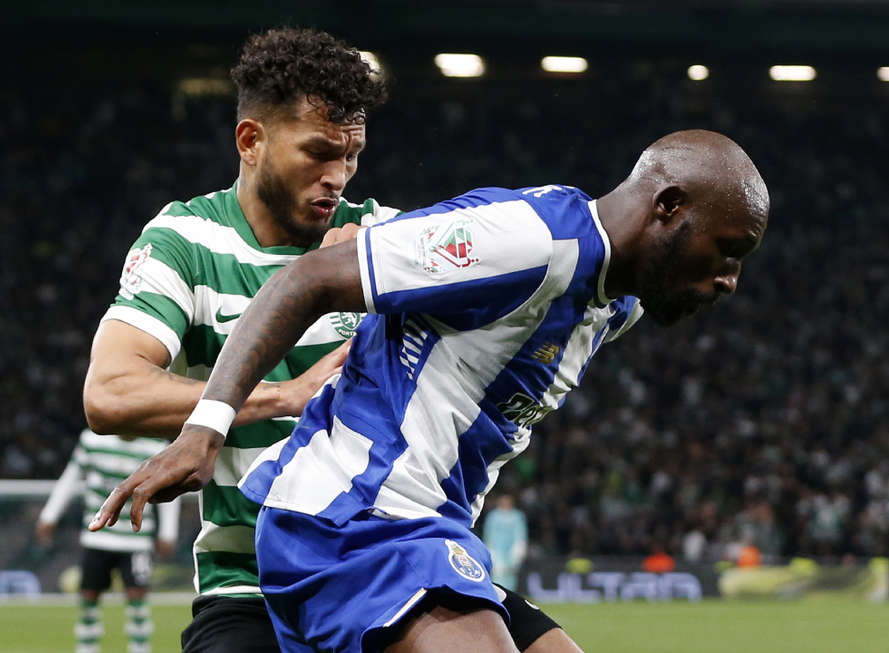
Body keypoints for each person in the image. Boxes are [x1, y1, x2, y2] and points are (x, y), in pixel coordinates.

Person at [92, 128, 769, 653]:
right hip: (350, 523)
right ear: (669, 208)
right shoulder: (532, 239)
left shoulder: (617, 301)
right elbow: (301, 279)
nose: (730, 279)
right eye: (728, 249)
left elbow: (419, 260)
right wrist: (205, 427)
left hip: (428, 533)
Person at [82, 27, 579, 653]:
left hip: (391, 558)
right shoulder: (185, 244)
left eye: (351, 156)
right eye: (318, 153)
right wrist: (282, 396)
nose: (338, 176)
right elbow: (110, 392)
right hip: (251, 589)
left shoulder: (380, 239)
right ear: (251, 141)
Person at [36, 429, 181, 653]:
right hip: (97, 536)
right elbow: (70, 478)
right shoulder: (92, 440)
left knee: (137, 599)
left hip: (136, 539)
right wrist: (49, 515)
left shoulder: (156, 447)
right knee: (88, 598)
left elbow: (168, 489)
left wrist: (168, 533)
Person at [483, 495, 529, 591]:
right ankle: (498, 595)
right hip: (497, 549)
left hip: (511, 549)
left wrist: (520, 548)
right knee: (498, 572)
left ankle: (509, 595)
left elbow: (520, 533)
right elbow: (489, 532)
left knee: (511, 573)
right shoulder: (493, 516)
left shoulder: (517, 516)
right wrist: (488, 548)